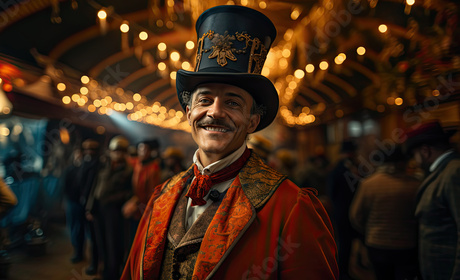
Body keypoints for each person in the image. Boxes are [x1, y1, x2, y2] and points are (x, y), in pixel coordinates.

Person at [122, 5, 338, 279]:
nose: (215, 112)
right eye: (204, 99)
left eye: (233, 102)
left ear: (252, 122)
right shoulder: (161, 196)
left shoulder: (292, 207)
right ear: (189, 114)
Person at [349, 146, 420, 280]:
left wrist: (368, 231)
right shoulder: (415, 185)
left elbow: (355, 215)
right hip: (407, 244)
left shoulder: (368, 184)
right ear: (402, 163)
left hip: (377, 243)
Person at [404, 121, 460, 280]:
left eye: (414, 155)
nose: (414, 161)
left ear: (425, 151)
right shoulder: (444, 170)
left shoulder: (454, 171)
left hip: (447, 271)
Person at [86, 135, 133, 280]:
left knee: (114, 244)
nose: (117, 153)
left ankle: (113, 274)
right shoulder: (104, 165)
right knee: (101, 242)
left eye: (121, 150)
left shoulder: (128, 169)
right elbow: (95, 188)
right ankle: (105, 271)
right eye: (115, 150)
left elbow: (129, 192)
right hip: (100, 209)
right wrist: (90, 207)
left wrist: (113, 199)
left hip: (114, 211)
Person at [62, 139, 101, 274]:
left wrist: (88, 206)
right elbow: (68, 186)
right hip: (76, 203)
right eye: (86, 150)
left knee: (93, 234)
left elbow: (91, 188)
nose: (88, 152)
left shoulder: (94, 166)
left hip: (88, 206)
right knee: (77, 230)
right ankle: (79, 253)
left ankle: (95, 261)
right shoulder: (75, 168)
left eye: (92, 150)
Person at [326, 139, 360, 279]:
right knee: (347, 243)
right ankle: (344, 272)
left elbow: (331, 192)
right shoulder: (355, 167)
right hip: (354, 210)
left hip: (340, 210)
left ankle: (343, 271)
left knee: (343, 243)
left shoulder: (335, 168)